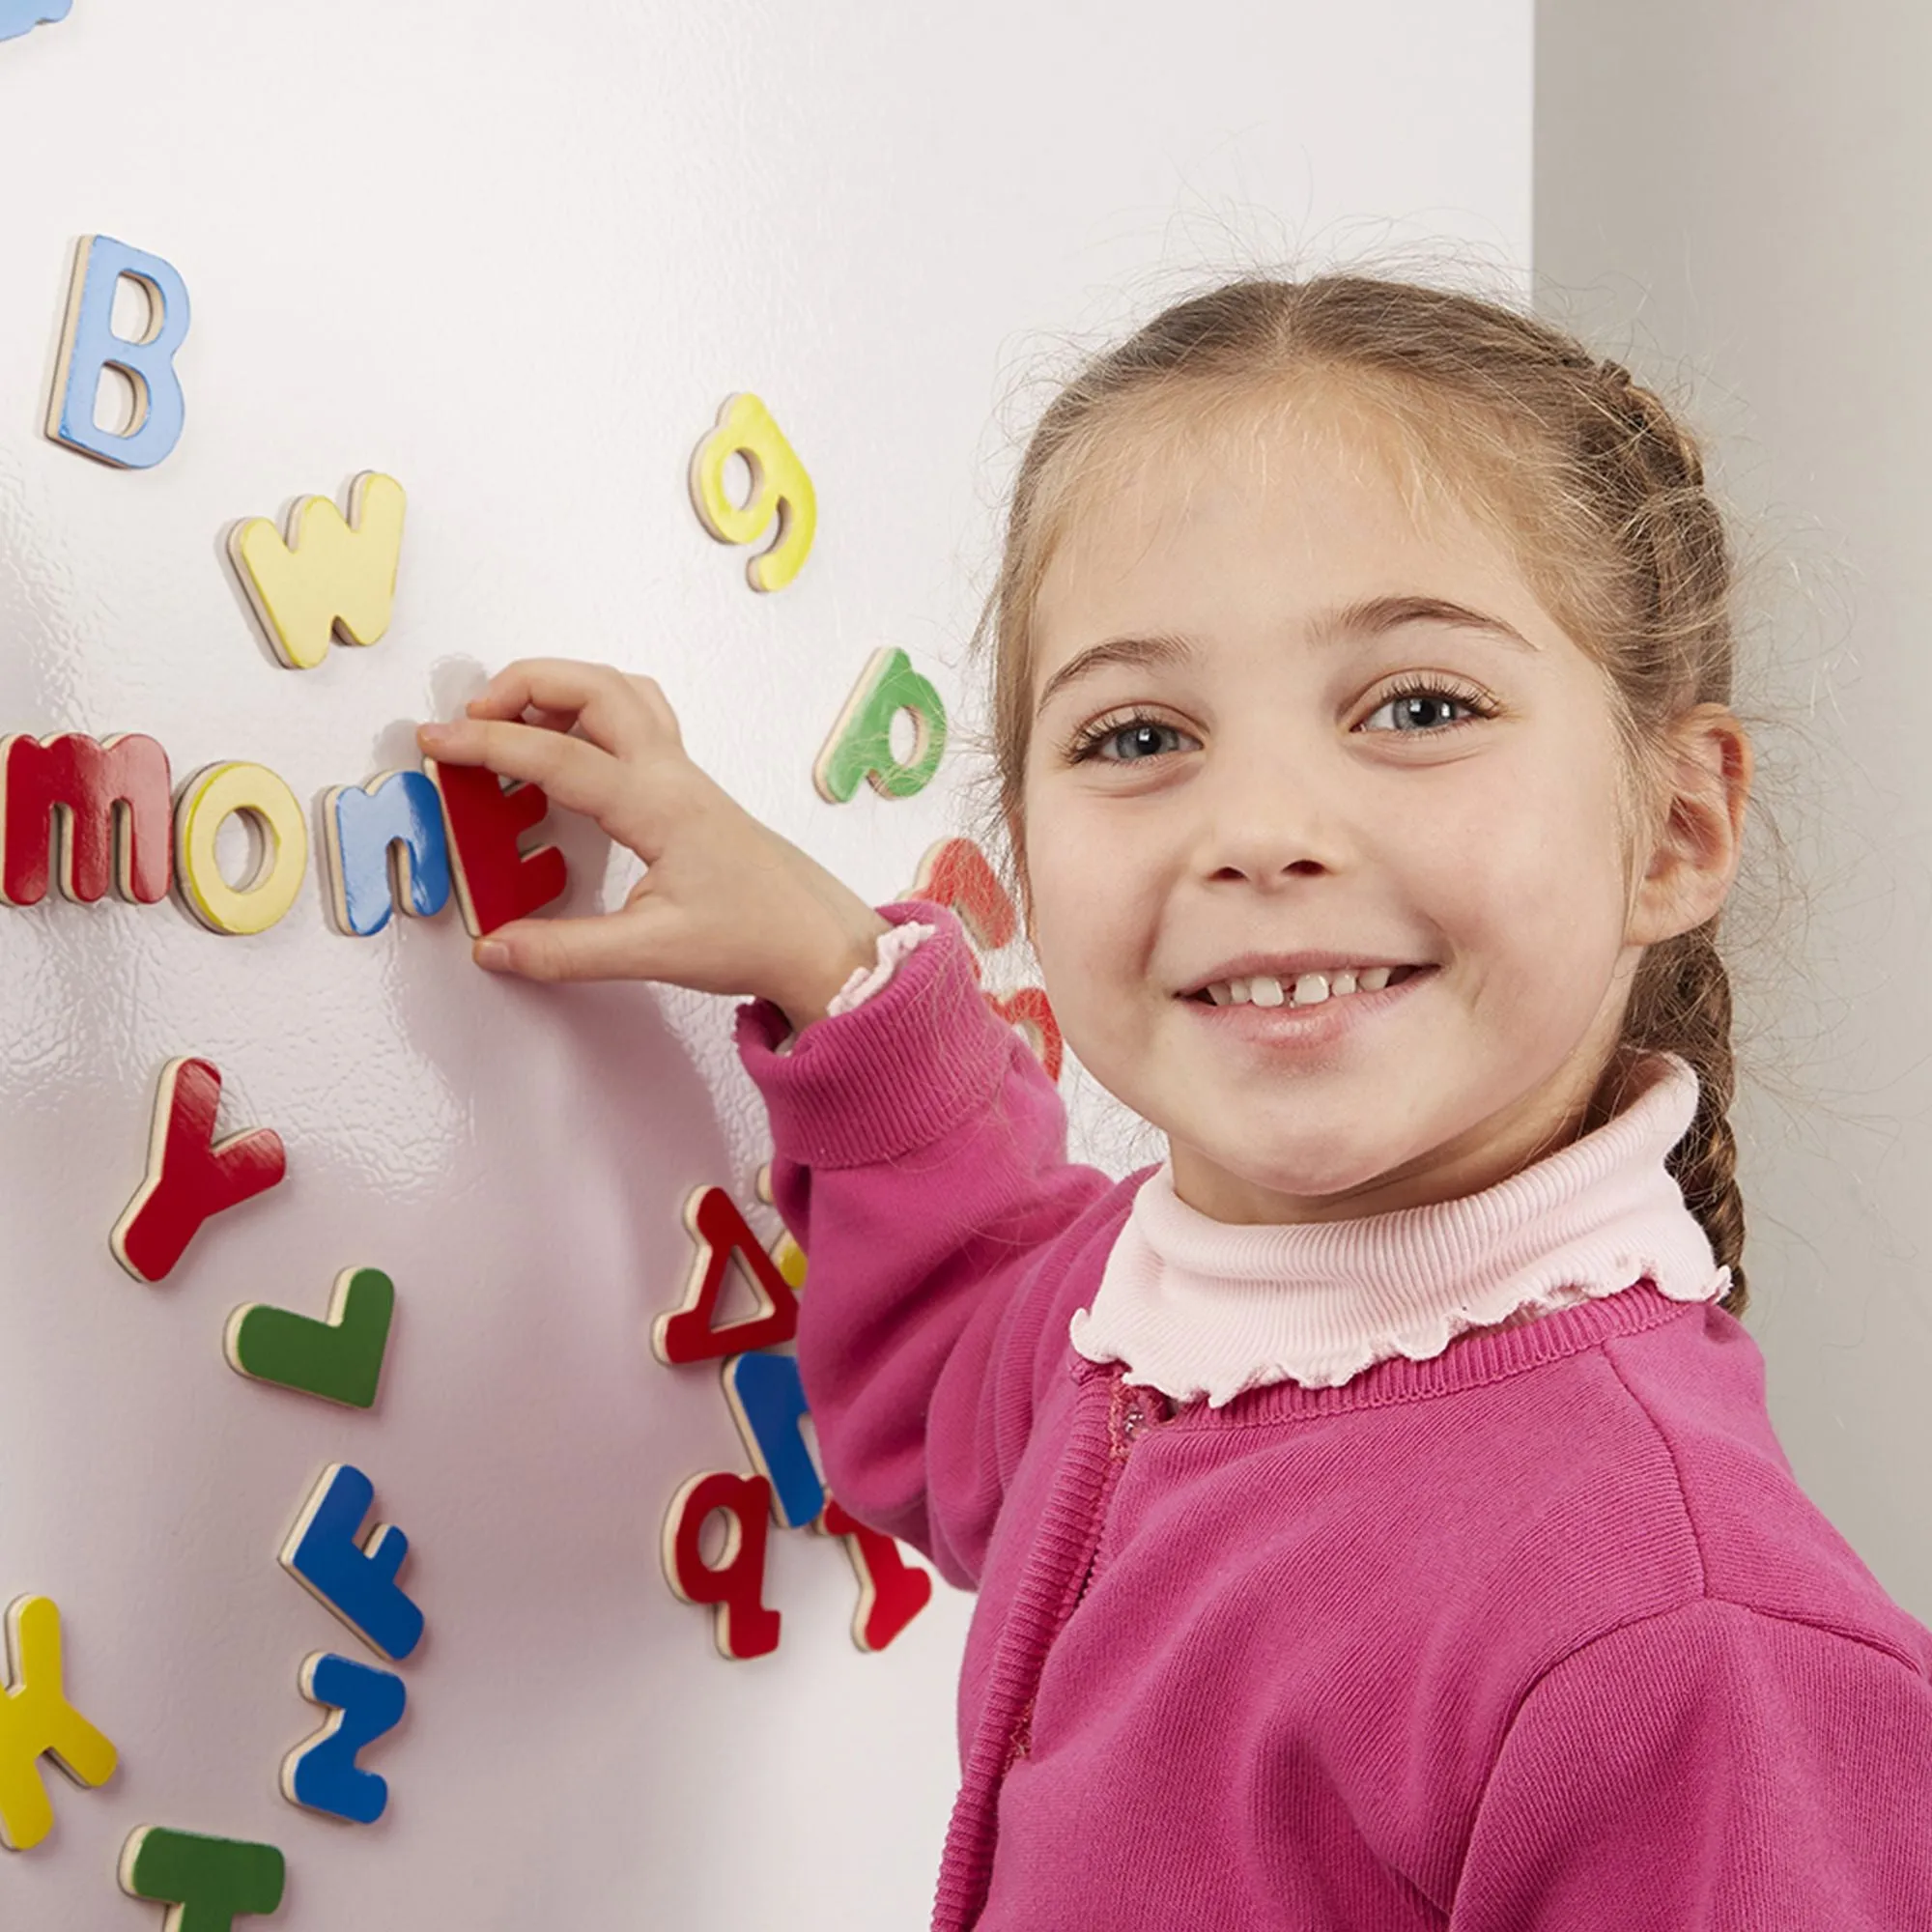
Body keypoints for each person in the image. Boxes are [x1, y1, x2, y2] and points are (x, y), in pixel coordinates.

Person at [415, 273, 1932, 1929]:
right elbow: (965, 1350)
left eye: (1417, 708)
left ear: (1674, 833)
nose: (1262, 826)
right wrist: (824, 959)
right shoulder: (1159, 1329)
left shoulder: (1690, 1643)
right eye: (1140, 735)